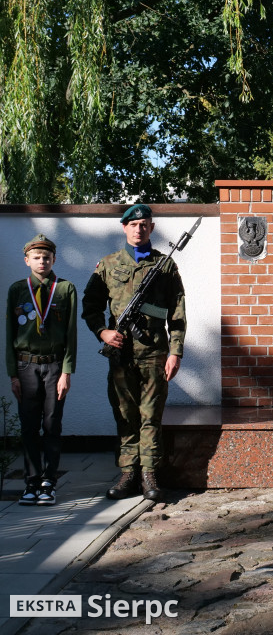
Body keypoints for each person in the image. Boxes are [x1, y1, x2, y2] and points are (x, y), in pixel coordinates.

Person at [81, 205, 186, 502]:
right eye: (133, 224)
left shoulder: (165, 266)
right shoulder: (108, 265)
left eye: (144, 224)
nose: (138, 229)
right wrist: (103, 332)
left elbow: (176, 314)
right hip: (120, 354)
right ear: (124, 228)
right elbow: (90, 307)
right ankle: (128, 472)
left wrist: (175, 352)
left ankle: (150, 474)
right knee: (125, 415)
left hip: (154, 353)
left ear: (151, 228)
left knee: (151, 415)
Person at [7, 234, 78, 506]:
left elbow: (71, 334)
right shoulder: (17, 290)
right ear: (27, 260)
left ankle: (49, 481)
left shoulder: (65, 289)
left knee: (51, 424)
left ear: (54, 259)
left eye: (46, 257)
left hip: (54, 366)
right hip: (26, 366)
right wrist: (13, 373)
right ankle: (31, 482)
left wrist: (66, 372)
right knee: (28, 426)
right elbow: (9, 334)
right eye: (36, 257)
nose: (42, 261)